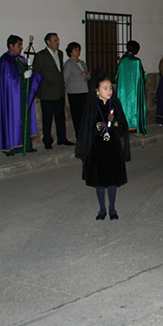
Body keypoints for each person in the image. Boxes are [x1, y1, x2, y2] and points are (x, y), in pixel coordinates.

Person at [75, 72, 130, 220]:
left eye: (110, 88)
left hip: (112, 147)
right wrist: (99, 126)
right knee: (100, 181)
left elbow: (123, 126)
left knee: (112, 180)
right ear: (97, 90)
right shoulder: (93, 106)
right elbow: (87, 128)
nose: (109, 91)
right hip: (97, 148)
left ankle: (112, 209)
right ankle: (102, 209)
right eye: (105, 88)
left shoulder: (114, 104)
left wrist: (114, 124)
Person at [0, 34, 42, 155]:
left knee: (25, 119)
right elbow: (8, 80)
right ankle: (12, 147)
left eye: (21, 45)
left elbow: (26, 73)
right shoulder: (5, 60)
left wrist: (30, 71)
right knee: (13, 120)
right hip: (12, 97)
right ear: (11, 45)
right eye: (19, 45)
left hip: (24, 94)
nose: (21, 47)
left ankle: (26, 145)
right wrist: (22, 77)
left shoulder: (21, 59)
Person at [33, 32, 73, 149]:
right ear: (48, 42)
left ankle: (62, 138)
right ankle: (47, 141)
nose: (57, 42)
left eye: (58, 40)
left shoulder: (60, 54)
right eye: (55, 40)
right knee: (47, 118)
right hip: (48, 92)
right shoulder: (41, 55)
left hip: (59, 91)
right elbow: (37, 74)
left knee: (60, 117)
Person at [115, 40, 147, 135]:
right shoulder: (136, 61)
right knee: (133, 107)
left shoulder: (123, 60)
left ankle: (123, 126)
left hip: (123, 90)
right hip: (134, 90)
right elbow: (141, 76)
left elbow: (117, 76)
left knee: (124, 107)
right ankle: (133, 126)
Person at [63, 41, 90, 141]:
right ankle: (79, 135)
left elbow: (88, 75)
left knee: (84, 115)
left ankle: (85, 133)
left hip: (84, 91)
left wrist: (86, 75)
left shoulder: (82, 63)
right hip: (74, 93)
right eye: (75, 50)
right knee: (76, 115)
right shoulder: (69, 64)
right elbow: (65, 78)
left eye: (79, 50)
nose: (78, 52)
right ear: (70, 52)